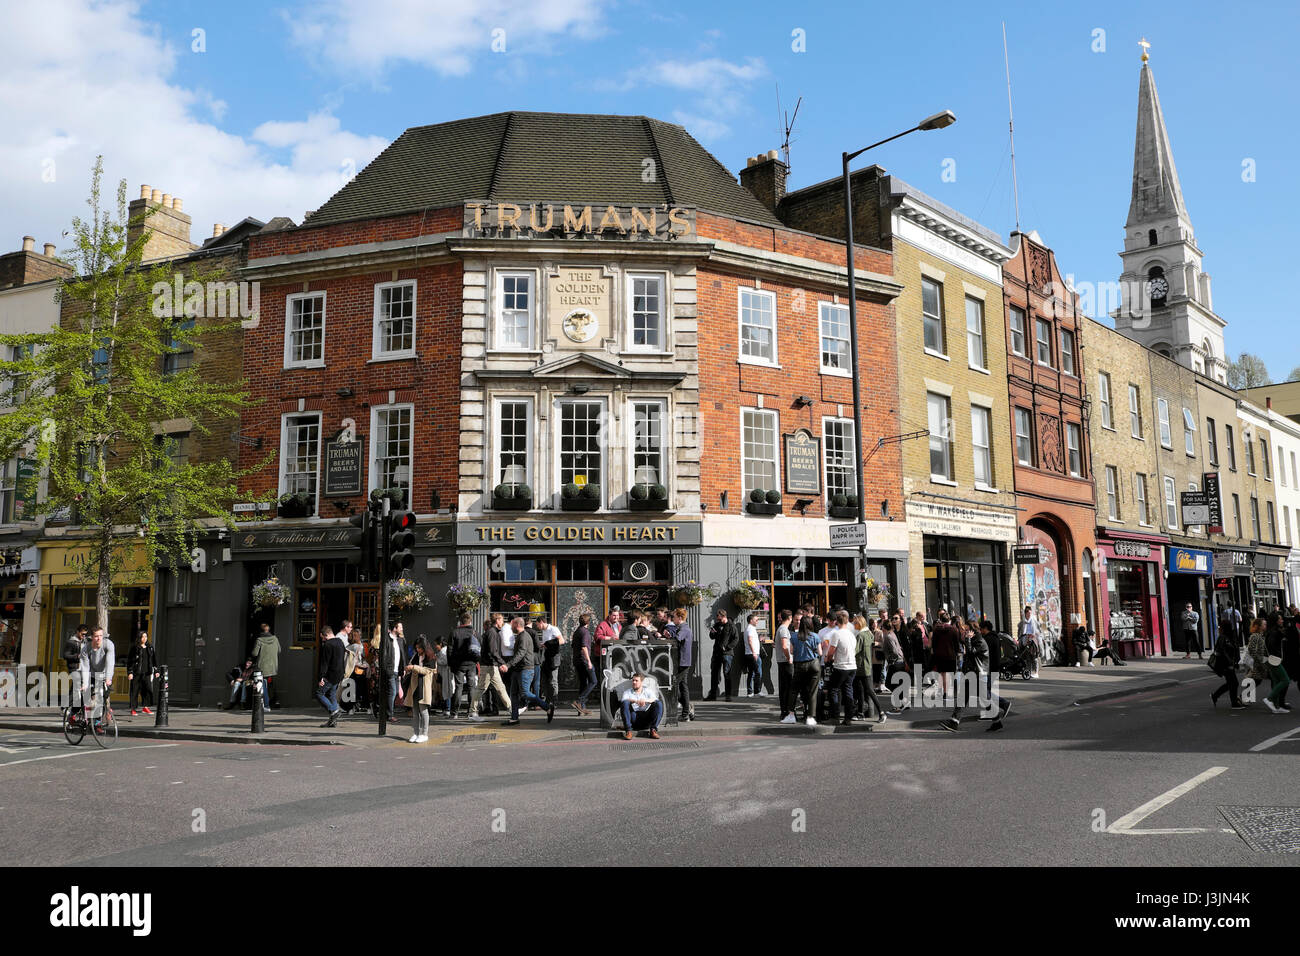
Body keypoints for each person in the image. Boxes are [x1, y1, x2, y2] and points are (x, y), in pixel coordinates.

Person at [941, 621, 1011, 733]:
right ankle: (954, 722)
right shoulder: (974, 640)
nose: (965, 631)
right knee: (966, 698)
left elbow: (970, 652)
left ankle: (996, 720)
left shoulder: (979, 641)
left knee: (982, 699)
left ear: (972, 631)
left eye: (967, 630)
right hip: (972, 675)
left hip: (978, 675)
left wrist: (968, 639)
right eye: (964, 630)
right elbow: (963, 643)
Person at [503, 616, 555, 725]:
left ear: (517, 625)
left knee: (525, 693)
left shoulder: (524, 637)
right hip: (518, 669)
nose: (510, 627)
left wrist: (508, 665)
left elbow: (521, 653)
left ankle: (547, 706)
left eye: (512, 625)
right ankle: (514, 718)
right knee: (513, 693)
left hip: (525, 669)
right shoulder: (520, 636)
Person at [821, 611, 857, 727]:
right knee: (848, 691)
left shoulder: (837, 634)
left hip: (841, 666)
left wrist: (828, 659)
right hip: (852, 666)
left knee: (833, 690)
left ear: (837, 622)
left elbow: (831, 652)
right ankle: (848, 718)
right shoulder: (851, 634)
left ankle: (835, 717)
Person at [447, 612, 482, 721]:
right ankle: (471, 711)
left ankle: (455, 713)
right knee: (472, 687)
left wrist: (450, 664)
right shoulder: (474, 632)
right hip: (471, 663)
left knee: (459, 687)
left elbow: (450, 650)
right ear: (470, 621)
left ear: (460, 621)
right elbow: (480, 647)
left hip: (458, 665)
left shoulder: (454, 633)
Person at [78, 627, 115, 724]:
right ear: (92, 637)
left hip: (103, 675)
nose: (99, 638)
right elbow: (85, 667)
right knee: (83, 695)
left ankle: (97, 723)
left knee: (101, 699)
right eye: (96, 636)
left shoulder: (108, 644)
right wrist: (85, 683)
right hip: (90, 673)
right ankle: (73, 713)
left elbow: (110, 663)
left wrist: (108, 678)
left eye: (101, 636)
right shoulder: (86, 648)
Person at [477, 613, 511, 716]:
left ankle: (511, 709)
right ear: (497, 621)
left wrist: (499, 663)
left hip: (491, 665)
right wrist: (502, 663)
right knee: (481, 690)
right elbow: (493, 651)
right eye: (501, 620)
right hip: (489, 666)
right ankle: (472, 711)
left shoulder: (493, 632)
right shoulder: (492, 633)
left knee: (500, 688)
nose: (503, 622)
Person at [790, 614, 822, 726]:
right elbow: (820, 653)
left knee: (794, 690)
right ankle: (810, 717)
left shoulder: (794, 636)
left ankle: (791, 715)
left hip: (799, 665)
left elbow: (791, 651)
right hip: (814, 665)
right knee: (813, 691)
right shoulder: (815, 636)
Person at [404, 637, 436, 742]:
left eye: (420, 648)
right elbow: (411, 665)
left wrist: (413, 667)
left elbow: (426, 671)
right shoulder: (415, 656)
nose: (418, 650)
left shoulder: (430, 657)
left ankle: (424, 734)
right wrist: (409, 668)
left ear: (425, 647)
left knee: (423, 710)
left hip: (424, 687)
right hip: (415, 686)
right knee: (415, 711)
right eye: (416, 648)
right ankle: (416, 733)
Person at [378, 623, 410, 723]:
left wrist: (404, 668)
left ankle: (379, 707)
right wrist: (386, 668)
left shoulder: (400, 640)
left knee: (395, 691)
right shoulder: (387, 639)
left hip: (397, 670)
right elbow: (383, 655)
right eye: (400, 627)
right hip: (390, 670)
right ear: (395, 628)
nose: (402, 629)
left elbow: (403, 655)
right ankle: (389, 714)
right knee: (392, 692)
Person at [1261, 612, 1292, 714]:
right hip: (1274, 660)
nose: (1282, 620)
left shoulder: (1272, 631)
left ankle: (1276, 706)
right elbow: (1272, 646)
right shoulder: (1274, 632)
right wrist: (1278, 655)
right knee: (1285, 680)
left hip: (1272, 659)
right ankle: (1269, 699)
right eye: (1280, 619)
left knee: (1276, 681)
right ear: (1276, 621)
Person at [668, 607, 695, 721]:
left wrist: (670, 636)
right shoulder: (681, 627)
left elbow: (677, 639)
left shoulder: (684, 628)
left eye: (674, 617)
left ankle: (686, 709)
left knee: (675, 684)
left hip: (683, 662)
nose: (672, 619)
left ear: (679, 617)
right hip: (683, 661)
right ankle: (686, 710)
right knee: (683, 686)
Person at [706, 610, 738, 701]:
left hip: (727, 654)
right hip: (716, 653)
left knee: (727, 674)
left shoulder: (731, 626)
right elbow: (712, 637)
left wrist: (728, 647)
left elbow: (736, 639)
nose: (718, 620)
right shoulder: (717, 625)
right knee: (714, 674)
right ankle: (713, 695)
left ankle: (728, 695)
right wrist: (712, 632)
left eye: (719, 618)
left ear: (724, 616)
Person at [317, 626, 346, 727]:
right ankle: (332, 721)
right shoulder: (340, 642)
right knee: (332, 695)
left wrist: (321, 677)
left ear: (326, 635)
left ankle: (334, 711)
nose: (323, 640)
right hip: (339, 674)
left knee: (319, 693)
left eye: (323, 638)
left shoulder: (328, 645)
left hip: (330, 674)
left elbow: (325, 663)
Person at [246, 622, 280, 709]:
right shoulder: (275, 639)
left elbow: (255, 653)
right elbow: (279, 650)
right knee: (271, 684)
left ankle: (267, 705)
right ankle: (275, 702)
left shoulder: (259, 640)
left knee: (263, 685)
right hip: (273, 666)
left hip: (262, 666)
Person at [619, 672, 662, 740]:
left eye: (636, 680)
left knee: (658, 703)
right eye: (633, 680)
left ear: (641, 682)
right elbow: (624, 700)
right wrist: (636, 701)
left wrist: (645, 700)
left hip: (646, 719)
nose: (634, 682)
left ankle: (653, 730)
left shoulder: (647, 691)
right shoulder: (627, 692)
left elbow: (654, 699)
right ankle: (628, 731)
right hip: (633, 718)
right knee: (625, 703)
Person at [570, 612, 597, 716]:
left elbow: (573, 645)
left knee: (583, 683)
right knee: (593, 681)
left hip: (577, 661)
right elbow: (584, 647)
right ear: (588, 622)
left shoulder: (577, 631)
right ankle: (579, 701)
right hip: (584, 660)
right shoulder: (585, 632)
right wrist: (589, 661)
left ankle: (581, 709)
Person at [1209, 630, 1244, 709]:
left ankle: (1215, 696)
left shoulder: (1228, 637)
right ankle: (1234, 703)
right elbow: (1222, 651)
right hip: (1226, 665)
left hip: (1229, 664)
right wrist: (1230, 663)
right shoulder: (1223, 638)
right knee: (1234, 683)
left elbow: (1233, 650)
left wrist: (1235, 663)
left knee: (1231, 683)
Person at [930, 610, 960, 704]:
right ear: (949, 619)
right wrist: (956, 652)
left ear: (941, 620)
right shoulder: (954, 630)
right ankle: (946, 693)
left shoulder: (936, 630)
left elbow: (934, 644)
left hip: (939, 655)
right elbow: (956, 644)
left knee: (941, 674)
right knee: (948, 675)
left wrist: (935, 653)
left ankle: (941, 692)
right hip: (950, 655)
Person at [126, 631, 156, 716]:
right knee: (134, 690)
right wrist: (130, 672)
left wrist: (156, 670)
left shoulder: (150, 647)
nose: (144, 638)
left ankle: (145, 707)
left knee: (147, 689)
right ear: (139, 638)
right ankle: (133, 708)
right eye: (142, 637)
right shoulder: (135, 648)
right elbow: (130, 661)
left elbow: (153, 660)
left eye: (146, 637)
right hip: (136, 673)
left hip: (147, 672)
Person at [536, 614, 564, 705]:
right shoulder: (544, 631)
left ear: (541, 622)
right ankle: (547, 699)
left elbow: (561, 641)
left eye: (537, 624)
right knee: (546, 679)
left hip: (554, 658)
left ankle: (554, 700)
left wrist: (547, 643)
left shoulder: (553, 629)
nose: (537, 627)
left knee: (553, 680)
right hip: (546, 657)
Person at [774, 609, 794, 723]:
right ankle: (786, 711)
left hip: (781, 661)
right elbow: (784, 646)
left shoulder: (781, 629)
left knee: (784, 687)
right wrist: (789, 657)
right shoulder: (784, 629)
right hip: (785, 661)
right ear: (790, 618)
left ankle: (784, 711)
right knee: (787, 687)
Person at [742, 613, 763, 697]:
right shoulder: (750, 629)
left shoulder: (750, 628)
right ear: (751, 621)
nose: (757, 621)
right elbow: (750, 640)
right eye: (756, 620)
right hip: (752, 654)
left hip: (750, 653)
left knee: (751, 672)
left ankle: (750, 692)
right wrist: (754, 652)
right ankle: (757, 691)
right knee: (758, 672)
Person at [1018, 607, 1040, 678]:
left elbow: (1037, 630)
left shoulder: (1033, 620)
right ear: (1026, 613)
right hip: (1025, 639)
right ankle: (1029, 672)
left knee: (1034, 656)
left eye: (1030, 613)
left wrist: (1033, 637)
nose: (1030, 614)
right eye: (1028, 613)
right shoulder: (1023, 621)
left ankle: (1036, 672)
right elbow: (1020, 631)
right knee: (1027, 657)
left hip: (1033, 639)